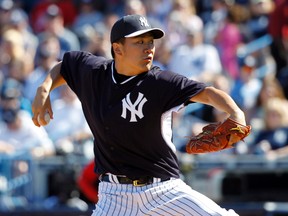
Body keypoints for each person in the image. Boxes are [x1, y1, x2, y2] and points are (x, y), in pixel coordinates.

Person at [31, 14, 248, 215]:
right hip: (113, 196)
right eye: (139, 42)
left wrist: (235, 112)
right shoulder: (94, 73)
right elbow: (65, 67)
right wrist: (44, 88)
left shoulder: (161, 82)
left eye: (150, 42)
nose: (148, 48)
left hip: (164, 191)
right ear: (118, 48)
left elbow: (208, 94)